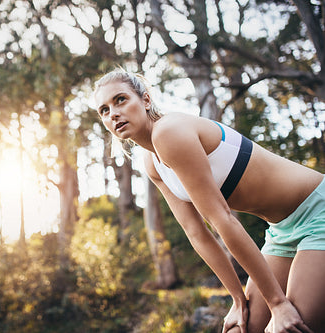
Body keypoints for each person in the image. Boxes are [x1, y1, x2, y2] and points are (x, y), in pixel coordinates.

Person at [93, 68, 325, 333]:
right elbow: (197, 234)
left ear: (145, 100)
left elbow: (221, 219)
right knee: (241, 328)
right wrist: (237, 298)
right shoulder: (152, 162)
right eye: (104, 110)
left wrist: (278, 303)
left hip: (317, 210)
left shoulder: (169, 131)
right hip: (281, 233)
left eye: (120, 99)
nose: (113, 113)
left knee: (291, 326)